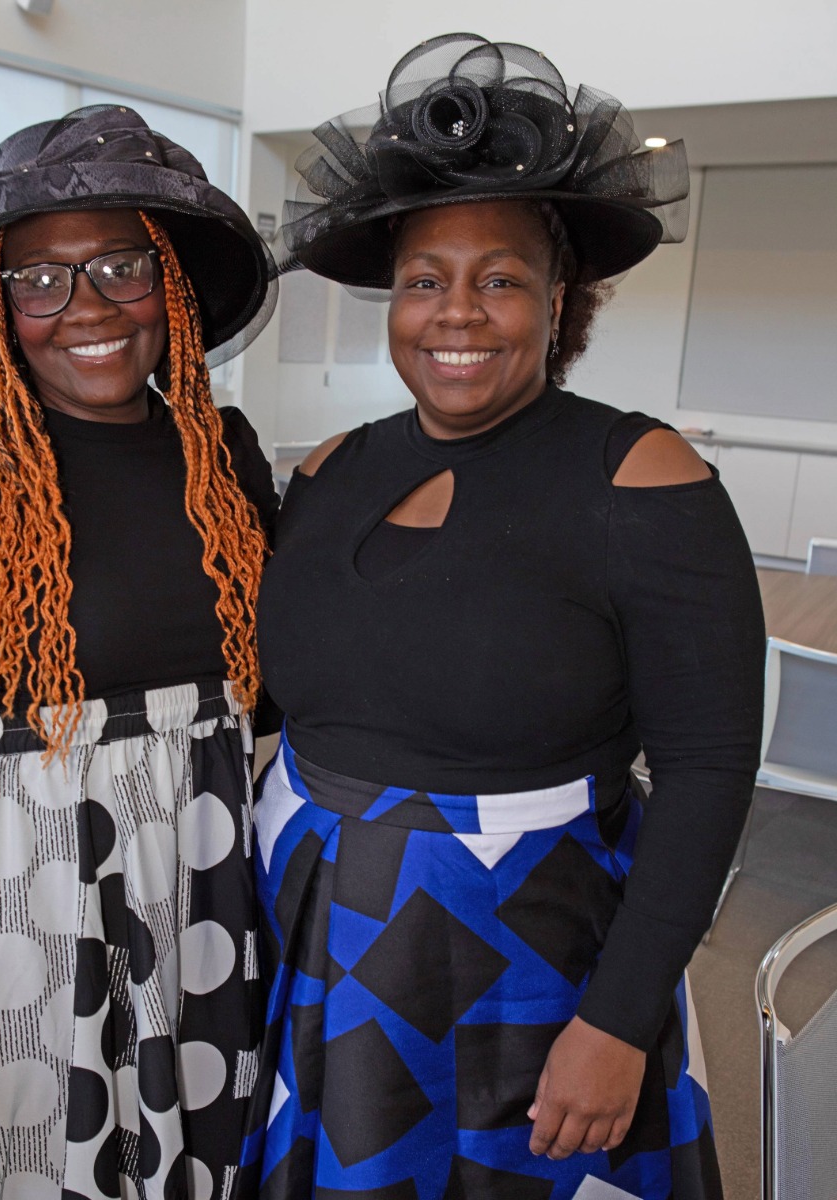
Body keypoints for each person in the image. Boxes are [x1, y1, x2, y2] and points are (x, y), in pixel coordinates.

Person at [242, 35, 764, 1200]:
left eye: (502, 278)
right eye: (427, 278)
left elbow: (710, 766)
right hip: (325, 935)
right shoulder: (330, 471)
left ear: (558, 299)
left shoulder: (641, 476)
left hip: (535, 958)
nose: (458, 314)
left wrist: (620, 1022)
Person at [0, 105, 279, 1200]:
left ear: (169, 278)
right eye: (40, 278)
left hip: (211, 907)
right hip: (16, 933)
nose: (87, 307)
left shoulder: (225, 456)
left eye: (121, 263)